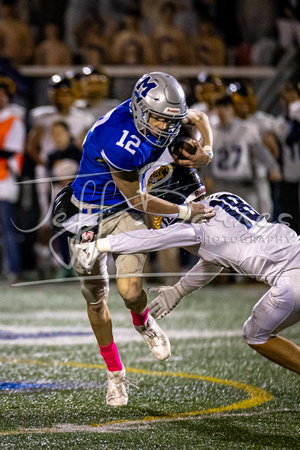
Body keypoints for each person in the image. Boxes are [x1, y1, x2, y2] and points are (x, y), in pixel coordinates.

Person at [54, 71, 215, 406]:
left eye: (169, 120)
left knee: (129, 291)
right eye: (157, 119)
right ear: (141, 109)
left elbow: (198, 117)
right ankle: (115, 372)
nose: (164, 127)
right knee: (97, 299)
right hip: (89, 213)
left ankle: (144, 323)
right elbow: (137, 199)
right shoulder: (119, 139)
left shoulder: (163, 115)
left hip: (124, 215)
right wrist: (185, 212)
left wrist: (207, 151)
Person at [85, 165, 300, 375]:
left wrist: (99, 244)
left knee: (255, 334)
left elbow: (148, 239)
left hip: (291, 281)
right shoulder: (222, 199)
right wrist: (180, 290)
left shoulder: (195, 226)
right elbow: (218, 257)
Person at [0, 73, 25, 284]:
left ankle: (14, 269)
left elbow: (9, 151)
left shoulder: (13, 120)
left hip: (4, 180)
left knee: (8, 230)